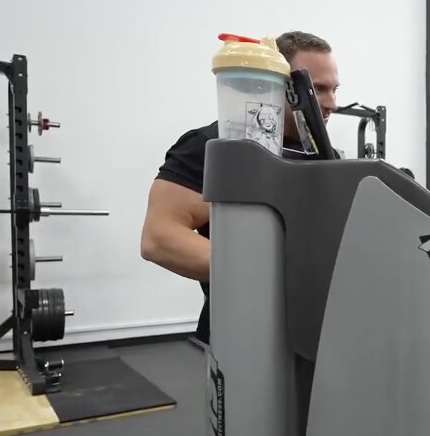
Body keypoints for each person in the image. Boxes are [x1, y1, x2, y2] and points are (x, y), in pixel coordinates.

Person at [139, 30, 340, 344]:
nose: (331, 103)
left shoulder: (326, 157)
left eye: (334, 90)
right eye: (319, 89)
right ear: (281, 86)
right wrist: (271, 273)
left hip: (313, 330)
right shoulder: (217, 145)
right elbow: (159, 238)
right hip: (240, 333)